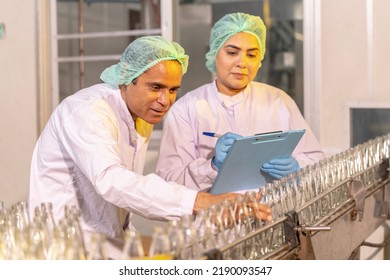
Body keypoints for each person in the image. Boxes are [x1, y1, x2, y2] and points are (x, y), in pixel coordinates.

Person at [28, 36, 271, 259]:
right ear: (127, 77)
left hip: (108, 246)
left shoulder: (140, 115)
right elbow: (111, 180)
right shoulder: (88, 112)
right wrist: (201, 202)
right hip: (64, 248)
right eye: (155, 87)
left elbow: (127, 192)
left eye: (173, 90)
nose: (165, 101)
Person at [156, 13, 324, 192]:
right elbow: (169, 182)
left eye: (251, 55)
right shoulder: (187, 108)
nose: (242, 63)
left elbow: (316, 161)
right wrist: (212, 166)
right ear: (214, 53)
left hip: (272, 214)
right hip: (213, 216)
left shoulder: (279, 101)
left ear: (260, 60)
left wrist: (298, 167)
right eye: (232, 52)